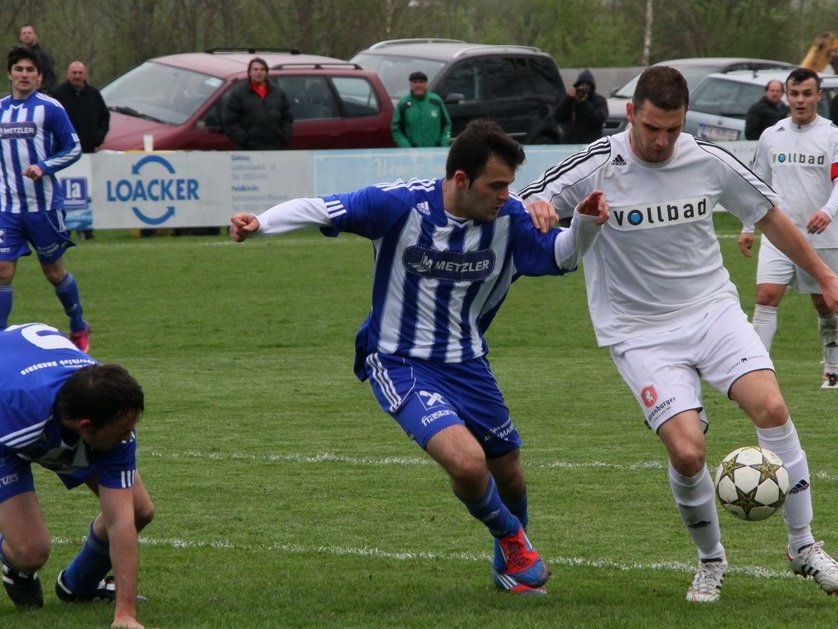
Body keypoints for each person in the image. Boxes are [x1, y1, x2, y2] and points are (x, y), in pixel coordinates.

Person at [229, 119, 608, 594]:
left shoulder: (509, 219)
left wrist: (588, 223)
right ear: (461, 180)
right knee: (469, 465)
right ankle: (513, 538)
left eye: (510, 185)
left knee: (509, 473)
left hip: (469, 364)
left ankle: (508, 562)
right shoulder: (399, 204)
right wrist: (261, 222)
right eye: (496, 185)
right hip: (398, 360)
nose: (506, 195)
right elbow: (319, 208)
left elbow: (565, 256)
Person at [520, 65, 838, 602]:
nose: (661, 141)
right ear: (631, 115)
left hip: (711, 310)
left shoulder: (709, 160)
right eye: (651, 128)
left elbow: (770, 217)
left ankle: (804, 547)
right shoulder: (599, 163)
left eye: (672, 129)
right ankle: (711, 561)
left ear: (685, 119)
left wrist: (827, 275)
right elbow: (530, 197)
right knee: (689, 453)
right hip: (639, 332)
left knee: (773, 408)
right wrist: (538, 205)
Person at [0, 322, 153, 629]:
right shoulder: (15, 413)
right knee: (31, 551)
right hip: (10, 418)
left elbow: (121, 521)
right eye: (122, 431)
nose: (128, 438)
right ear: (85, 426)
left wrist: (125, 615)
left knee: (138, 510)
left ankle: (79, 584)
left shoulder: (106, 403)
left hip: (45, 401)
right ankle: (14, 564)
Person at [738, 68, 838, 388]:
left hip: (822, 234)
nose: (800, 100)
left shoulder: (832, 135)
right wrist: (747, 226)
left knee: (825, 302)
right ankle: (755, 371)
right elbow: (757, 186)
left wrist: (827, 211)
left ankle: (833, 368)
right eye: (794, 94)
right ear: (786, 96)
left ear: (818, 96)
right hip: (779, 233)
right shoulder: (772, 135)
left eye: (807, 94)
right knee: (766, 296)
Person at [0, 47, 88, 351]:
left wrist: (44, 166)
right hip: (7, 207)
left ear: (39, 76)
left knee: (53, 272)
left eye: (31, 71)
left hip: (44, 206)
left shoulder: (50, 108)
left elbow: (73, 147)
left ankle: (78, 324)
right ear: (9, 73)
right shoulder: (0, 109)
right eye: (19, 69)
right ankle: (1, 340)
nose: (24, 75)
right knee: (2, 270)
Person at [54, 60, 110, 240]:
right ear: (67, 74)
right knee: (66, 191)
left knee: (88, 192)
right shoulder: (58, 95)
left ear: (85, 74)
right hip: (64, 153)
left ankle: (87, 228)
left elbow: (104, 117)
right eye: (74, 72)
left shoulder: (94, 94)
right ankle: (66, 226)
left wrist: (98, 138)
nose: (77, 76)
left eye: (80, 72)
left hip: (88, 151)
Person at [222, 57, 293, 150]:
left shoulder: (278, 92)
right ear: (249, 72)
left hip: (274, 147)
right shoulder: (238, 92)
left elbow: (287, 117)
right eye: (255, 69)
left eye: (262, 69)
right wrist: (243, 139)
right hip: (248, 149)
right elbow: (230, 121)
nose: (259, 72)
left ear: (266, 72)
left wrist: (284, 137)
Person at [391, 71, 452, 148]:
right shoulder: (404, 104)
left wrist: (443, 143)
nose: (418, 85)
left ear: (426, 84)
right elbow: (396, 129)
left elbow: (447, 124)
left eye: (421, 82)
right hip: (412, 153)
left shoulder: (435, 101)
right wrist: (406, 146)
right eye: (415, 82)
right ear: (410, 84)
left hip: (434, 151)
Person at [555, 69, 608, 145]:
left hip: (590, 143)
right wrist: (568, 100)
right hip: (569, 143)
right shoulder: (571, 100)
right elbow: (558, 116)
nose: (583, 88)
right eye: (581, 85)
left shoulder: (599, 100)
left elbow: (598, 119)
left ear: (591, 87)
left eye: (587, 85)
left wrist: (584, 103)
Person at [18, 24, 56, 94]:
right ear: (20, 37)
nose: (27, 35)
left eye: (29, 33)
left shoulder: (44, 56)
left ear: (35, 35)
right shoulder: (16, 56)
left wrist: (44, 91)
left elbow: (50, 77)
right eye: (24, 33)